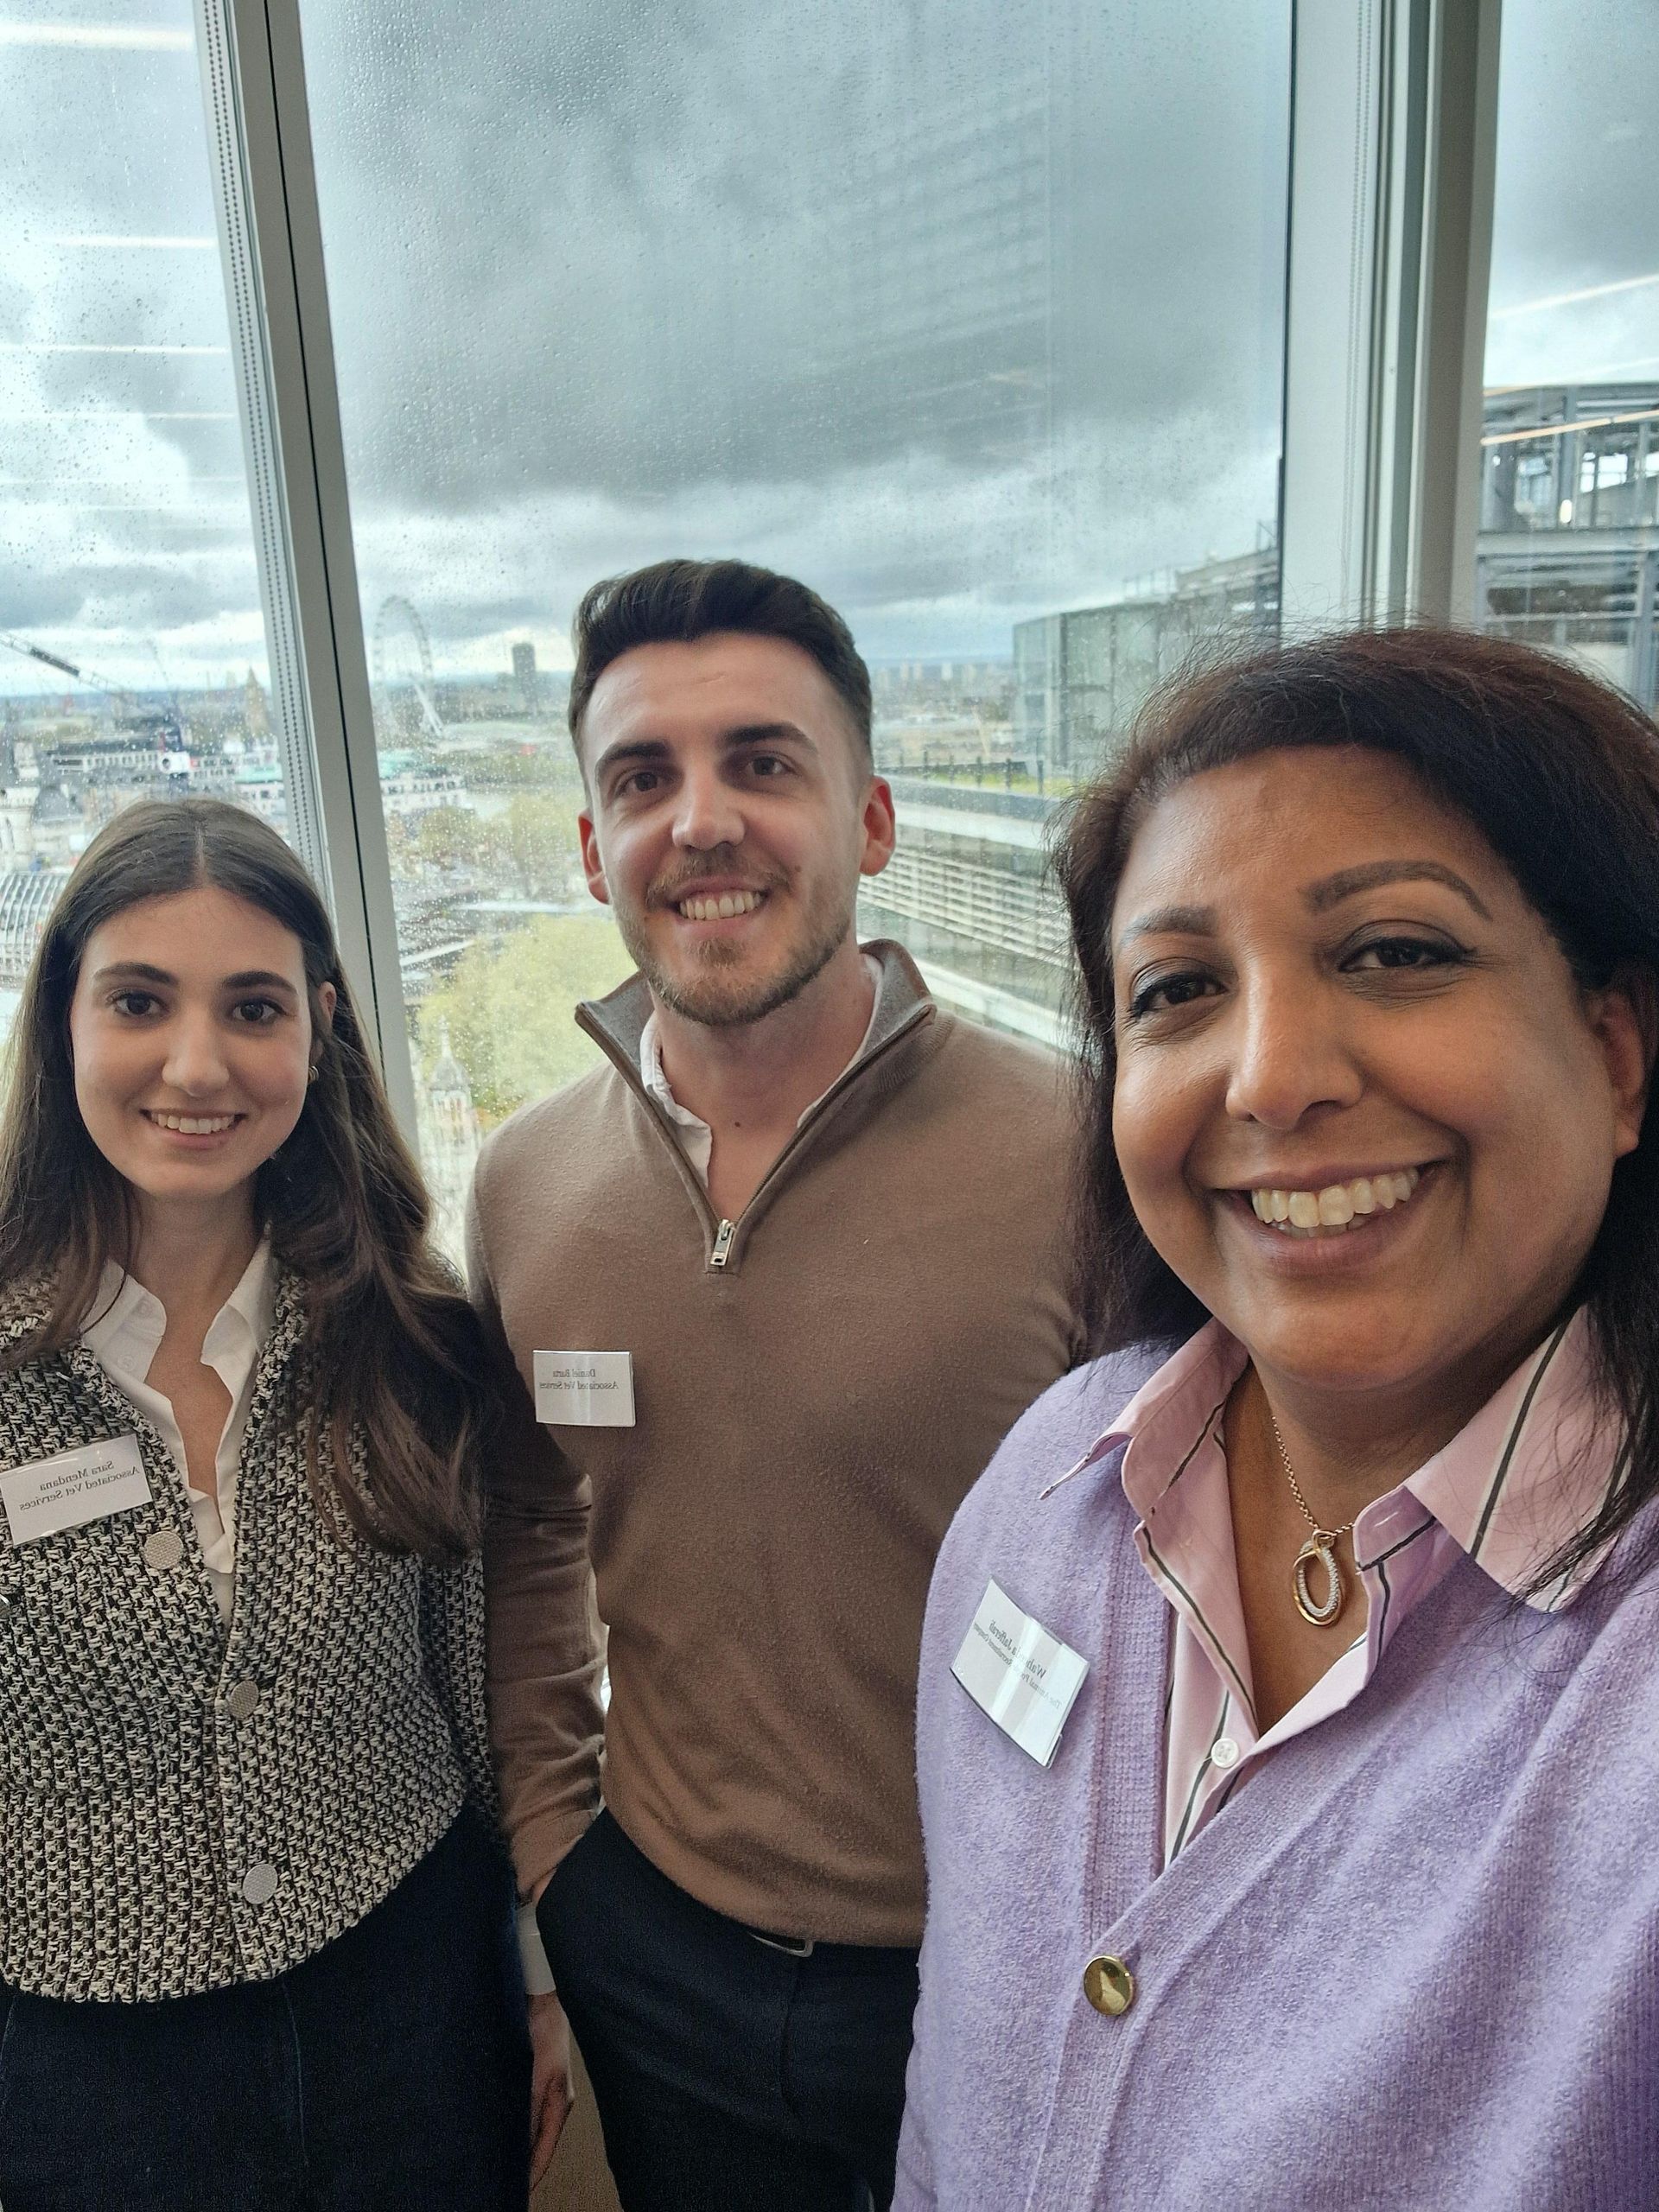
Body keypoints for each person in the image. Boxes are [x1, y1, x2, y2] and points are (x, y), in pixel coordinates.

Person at [893, 626, 1659, 2209]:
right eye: (1179, 990)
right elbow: (960, 2057)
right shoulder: (1049, 1486)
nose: (1271, 1076)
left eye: (1394, 952)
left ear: (1618, 1047)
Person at [468, 557, 1083, 2210]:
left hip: (1005, 1965)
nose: (704, 821)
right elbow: (525, 1535)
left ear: (871, 820)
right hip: (653, 1947)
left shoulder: (1083, 1159)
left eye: (763, 762)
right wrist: (554, 1856)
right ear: (595, 848)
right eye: (642, 779)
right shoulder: (525, 1188)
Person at [0, 798, 529, 2211]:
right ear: (61, 1023)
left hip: (415, 1997)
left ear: (321, 1024)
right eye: (138, 1002)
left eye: (251, 1006)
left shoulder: (413, 1337)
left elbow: (473, 1691)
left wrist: (529, 1982)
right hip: (79, 2059)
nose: (196, 1064)